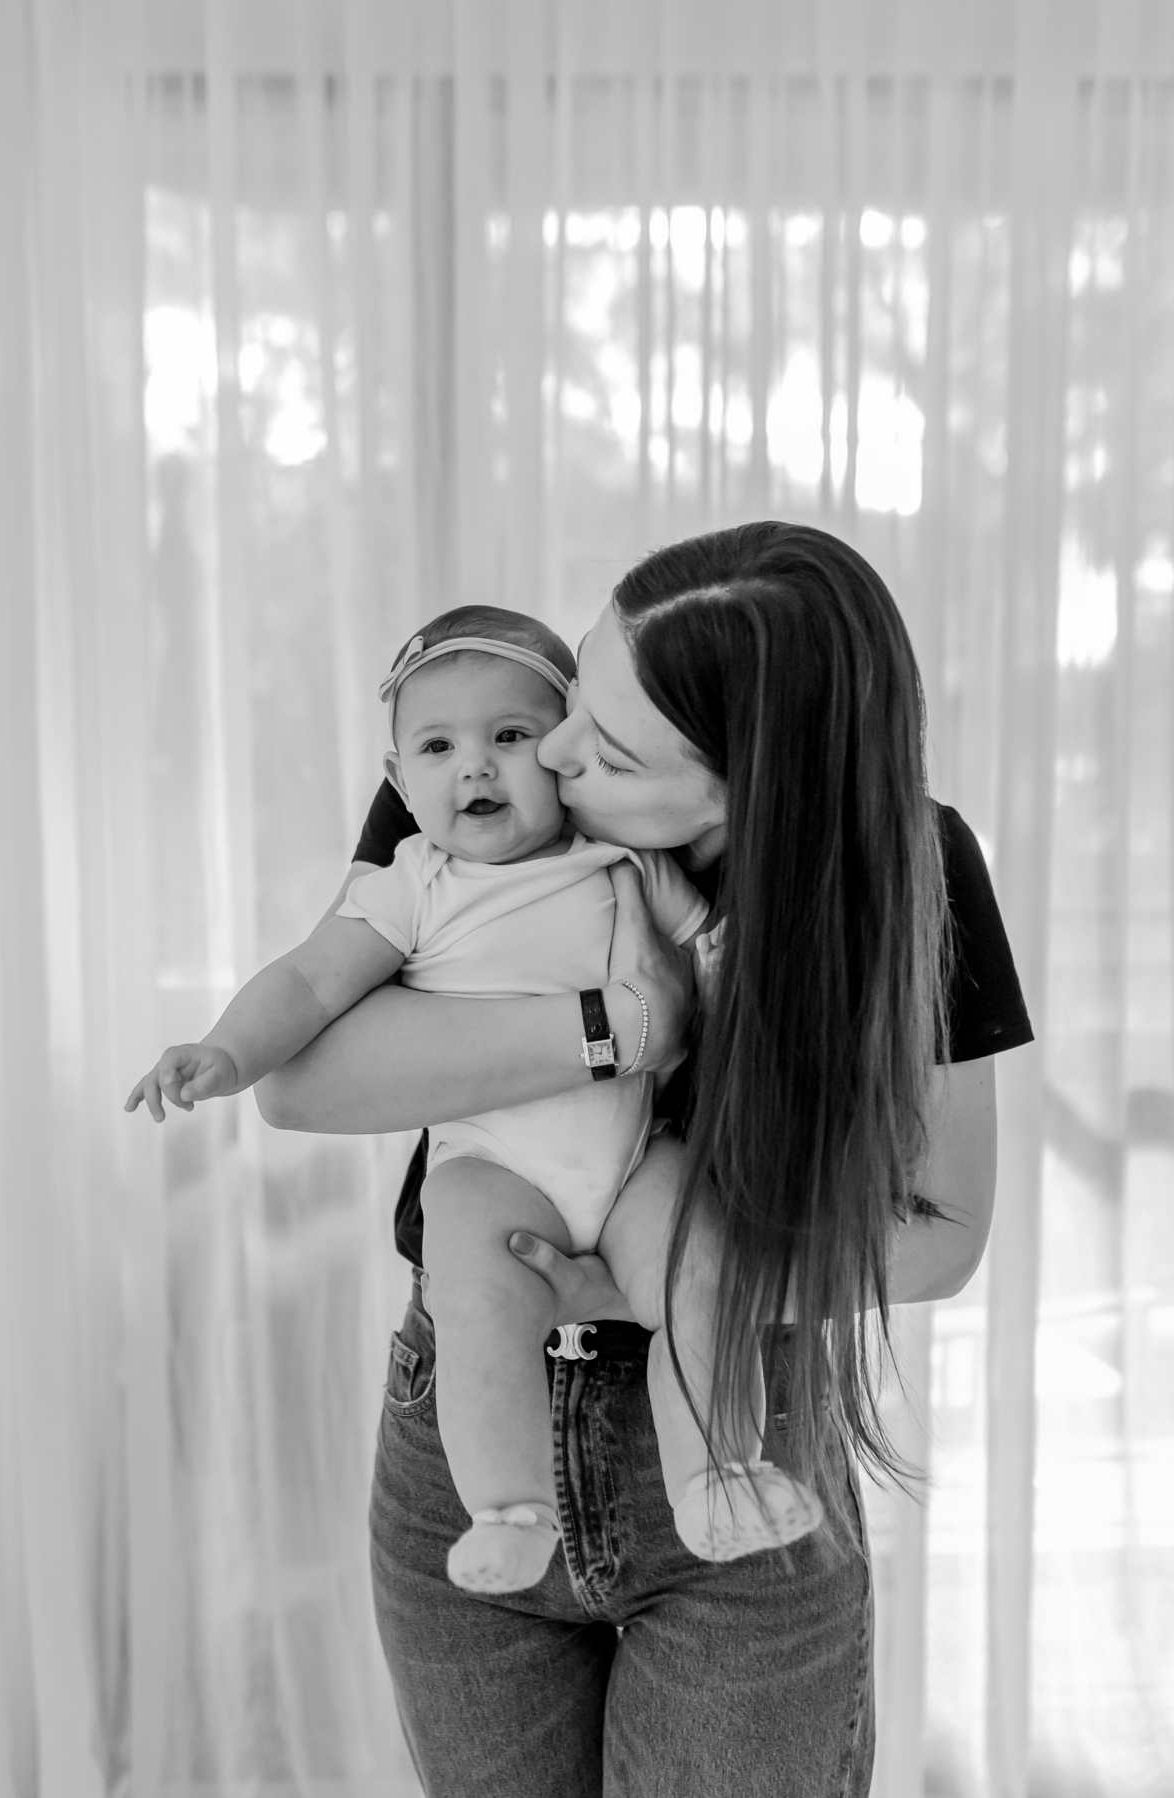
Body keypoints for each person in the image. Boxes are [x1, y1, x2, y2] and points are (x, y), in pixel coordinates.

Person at [257, 524, 1034, 1798]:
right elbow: (303, 1076)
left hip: (733, 1430)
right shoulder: (473, 759)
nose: (550, 750)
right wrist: (615, 1028)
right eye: (580, 698)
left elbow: (942, 1231)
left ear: (738, 795)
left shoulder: (911, 868)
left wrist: (634, 1284)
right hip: (468, 1440)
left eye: (606, 749)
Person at [125, 604, 821, 1598]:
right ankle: (510, 1505)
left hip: (631, 1160)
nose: (476, 768)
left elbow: (720, 957)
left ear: (570, 752)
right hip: (491, 1164)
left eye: (511, 737)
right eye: (439, 747)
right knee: (480, 1303)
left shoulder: (624, 859)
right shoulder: (414, 885)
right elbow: (312, 985)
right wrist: (226, 1051)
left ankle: (715, 1473)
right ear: (400, 778)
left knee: (701, 1272)